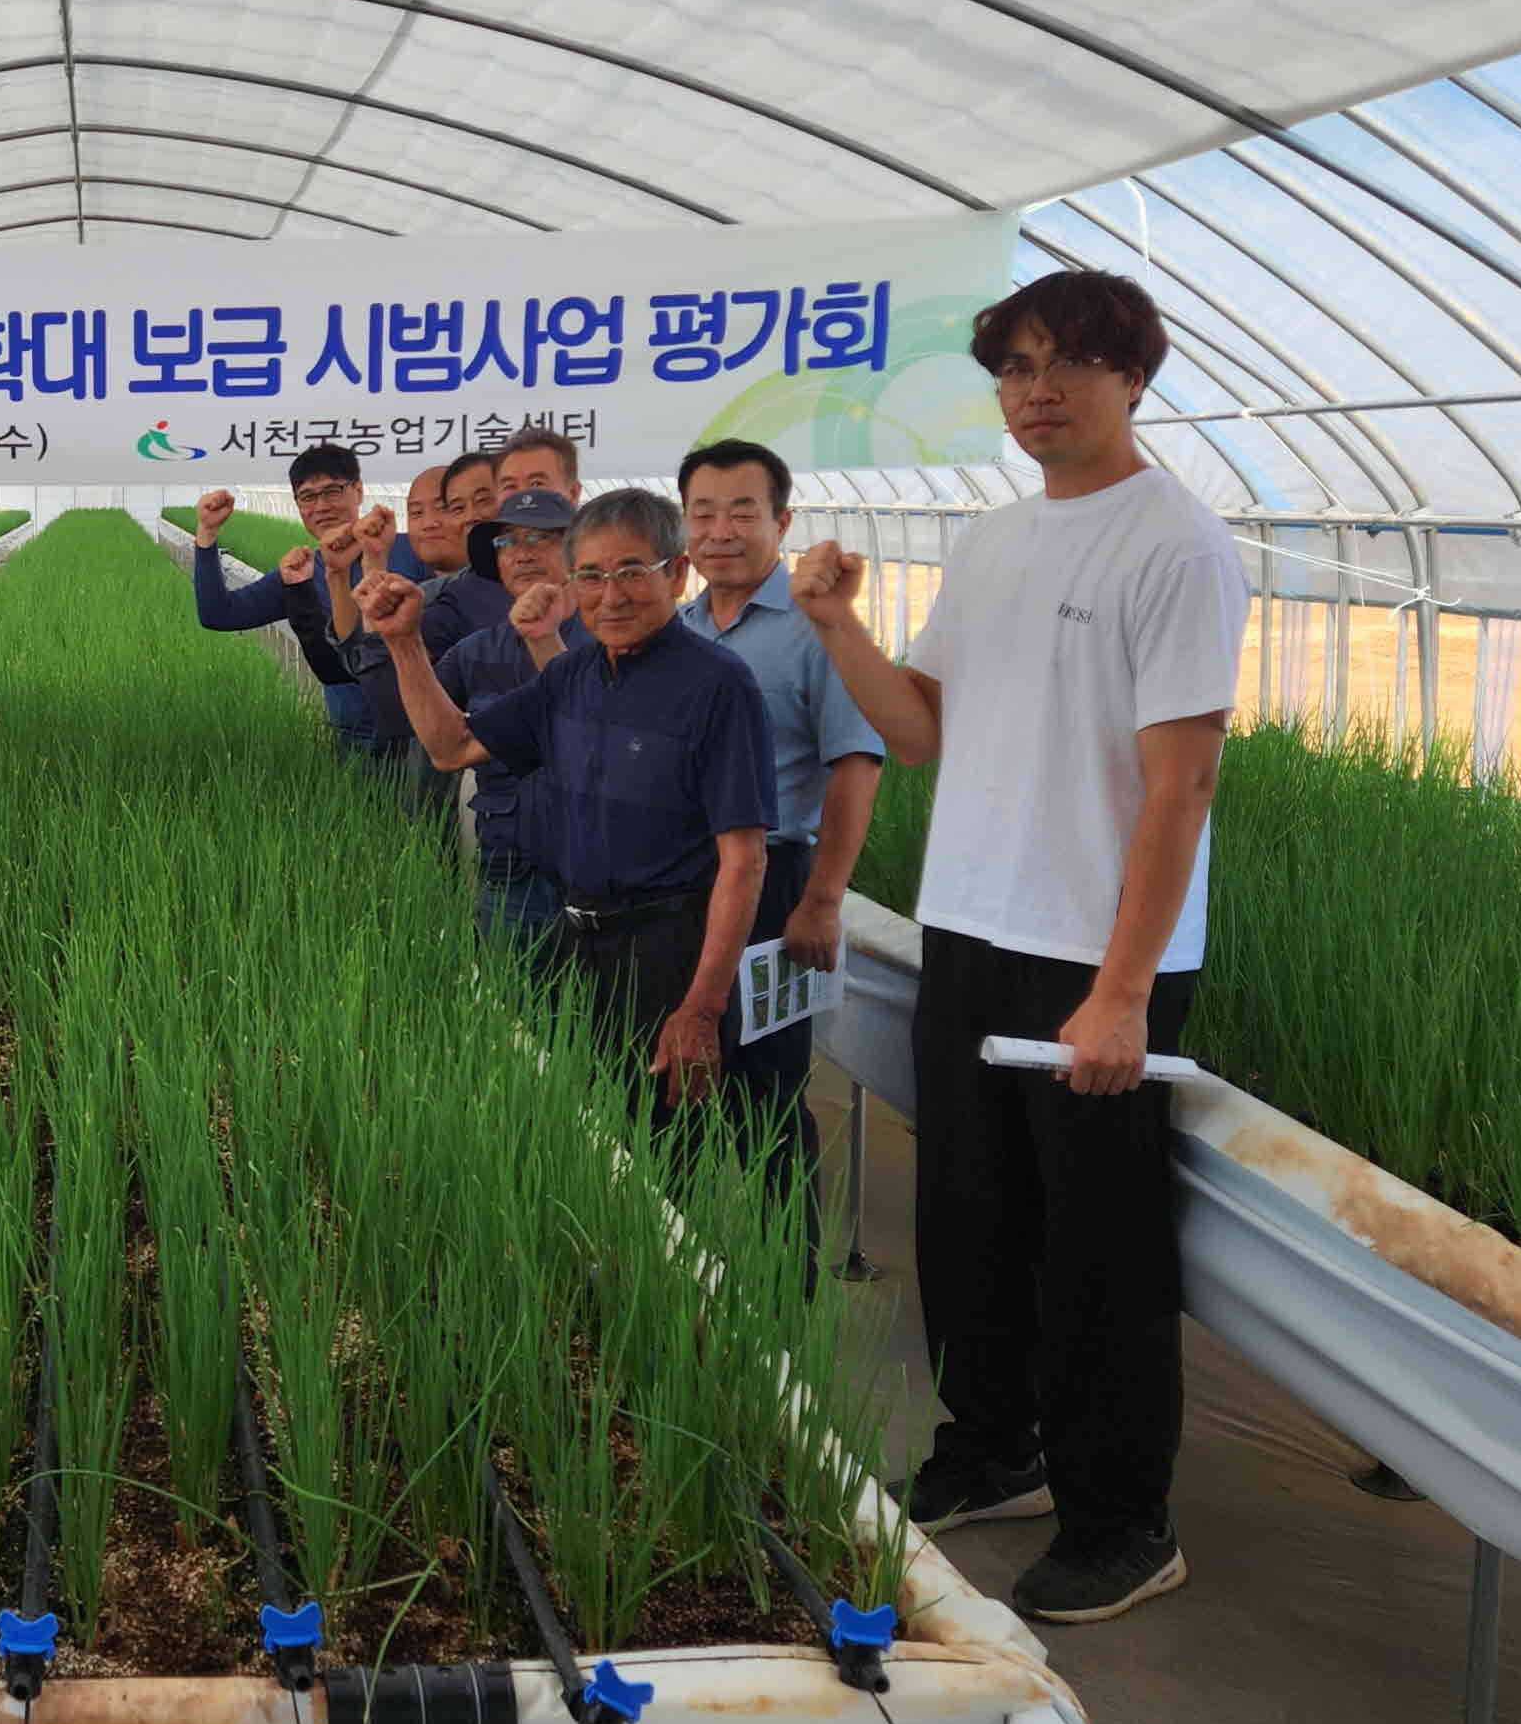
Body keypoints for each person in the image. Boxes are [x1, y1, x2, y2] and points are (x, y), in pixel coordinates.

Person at [784, 269, 1247, 1626]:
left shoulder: (1175, 544)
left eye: (1071, 365)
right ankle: (992, 1448)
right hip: (971, 924)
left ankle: (1122, 1518)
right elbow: (921, 728)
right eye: (1017, 368)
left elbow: (1181, 787)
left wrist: (1122, 996)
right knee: (968, 1217)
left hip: (1090, 960)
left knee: (1098, 1253)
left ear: (1134, 379)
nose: (1038, 392)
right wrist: (837, 627)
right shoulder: (994, 544)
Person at [365, 489, 774, 1107]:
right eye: (591, 576)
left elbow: (744, 859)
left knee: (667, 1158)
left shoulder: (718, 685)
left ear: (679, 572)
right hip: (576, 941)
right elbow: (452, 748)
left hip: (669, 955)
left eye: (633, 572)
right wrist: (403, 642)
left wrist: (701, 1008)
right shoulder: (572, 676)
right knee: (585, 1135)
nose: (611, 596)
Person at [676, 438, 887, 1226]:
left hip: (776, 887)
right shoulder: (682, 626)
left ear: (782, 519)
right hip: (684, 886)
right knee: (682, 1084)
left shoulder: (816, 631)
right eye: (703, 512)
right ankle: (689, 1274)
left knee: (766, 1096)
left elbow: (856, 764)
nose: (721, 530)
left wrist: (823, 901)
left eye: (743, 511)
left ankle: (783, 1297)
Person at [408, 484, 585, 953]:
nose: (521, 554)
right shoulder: (475, 652)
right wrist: (400, 640)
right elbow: (430, 741)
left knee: (603, 1021)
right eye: (507, 542)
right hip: (507, 876)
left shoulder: (610, 637)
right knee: (508, 1012)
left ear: (576, 550)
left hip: (598, 881)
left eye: (540, 538)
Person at [188, 450, 424, 793]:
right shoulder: (300, 573)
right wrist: (207, 535)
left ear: (357, 491)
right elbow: (218, 614)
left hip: (423, 732)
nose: (321, 506)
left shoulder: (411, 552)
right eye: (308, 497)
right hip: (355, 739)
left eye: (332, 491)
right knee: (377, 833)